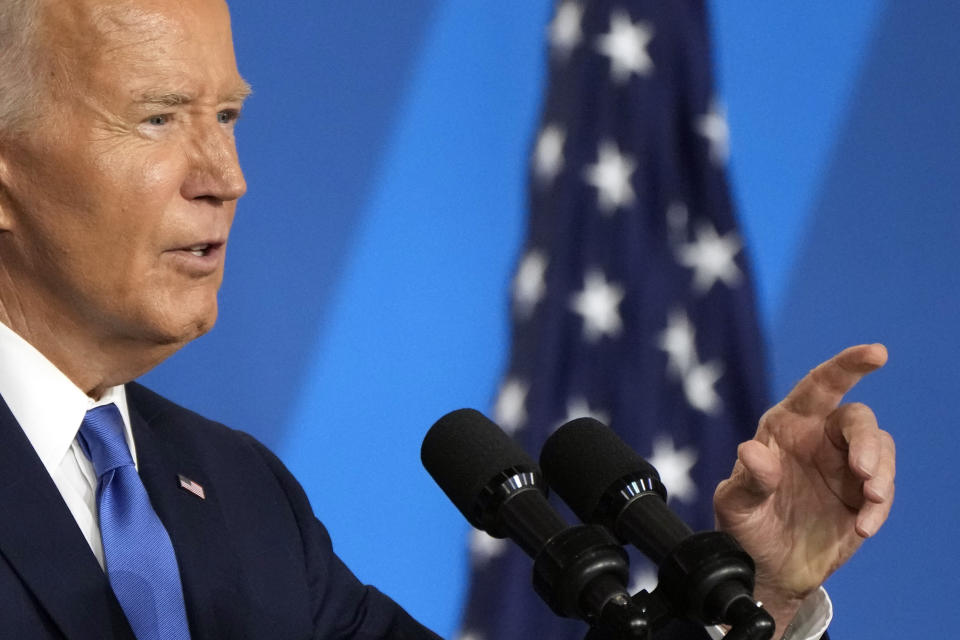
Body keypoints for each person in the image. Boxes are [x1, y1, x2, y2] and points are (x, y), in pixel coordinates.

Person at [0, 0, 895, 638]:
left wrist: (759, 597)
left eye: (228, 115)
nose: (226, 177)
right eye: (158, 118)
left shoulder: (240, 495)